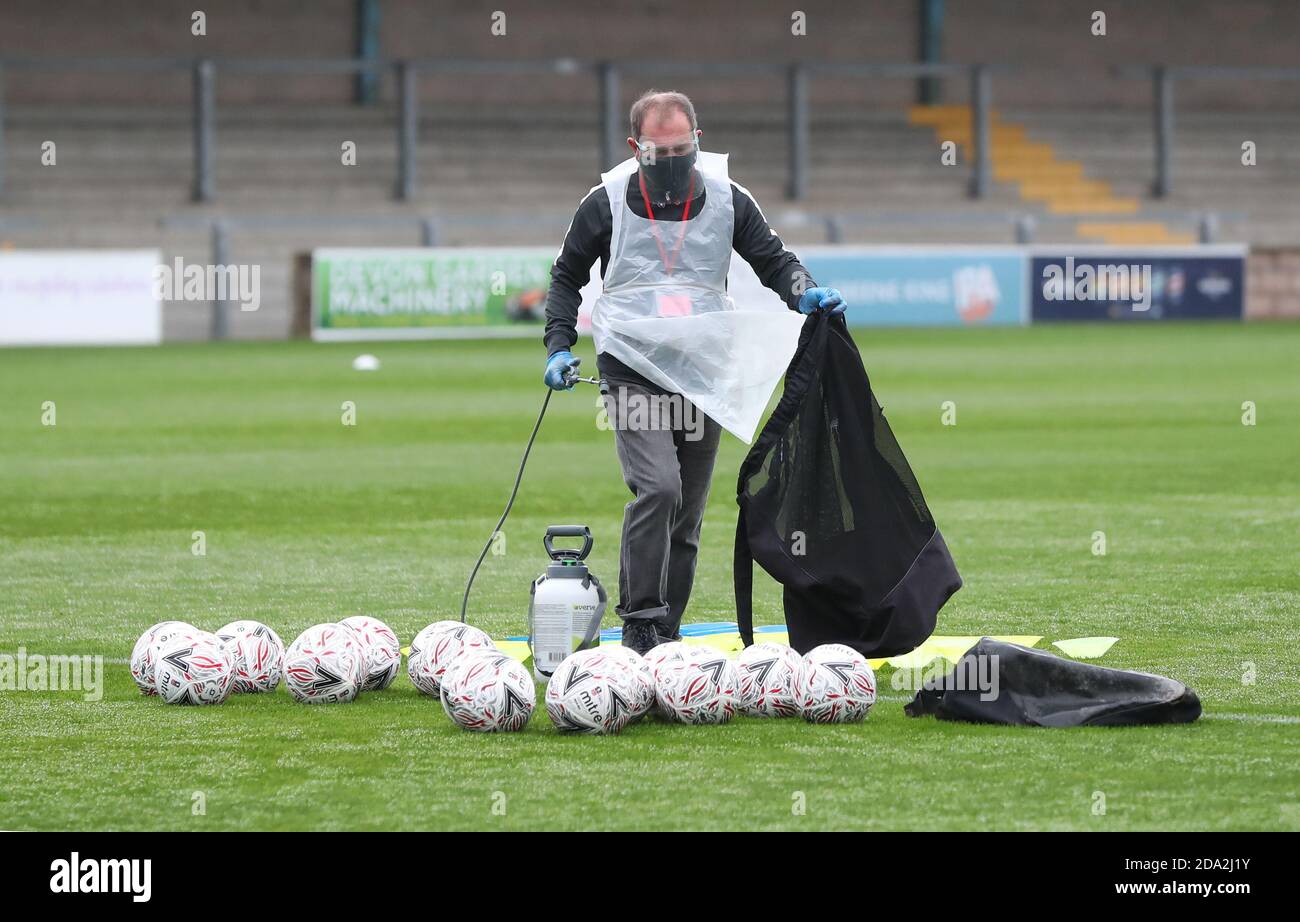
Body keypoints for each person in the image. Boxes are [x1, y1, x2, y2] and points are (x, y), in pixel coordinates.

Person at [542, 89, 845, 654]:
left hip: (703, 370)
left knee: (687, 513)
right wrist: (559, 345)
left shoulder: (731, 201)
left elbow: (774, 260)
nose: (674, 160)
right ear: (635, 149)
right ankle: (639, 620)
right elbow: (565, 278)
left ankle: (667, 631)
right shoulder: (603, 202)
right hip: (631, 365)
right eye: (660, 151)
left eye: (683, 148)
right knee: (658, 487)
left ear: (698, 142)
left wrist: (803, 293)